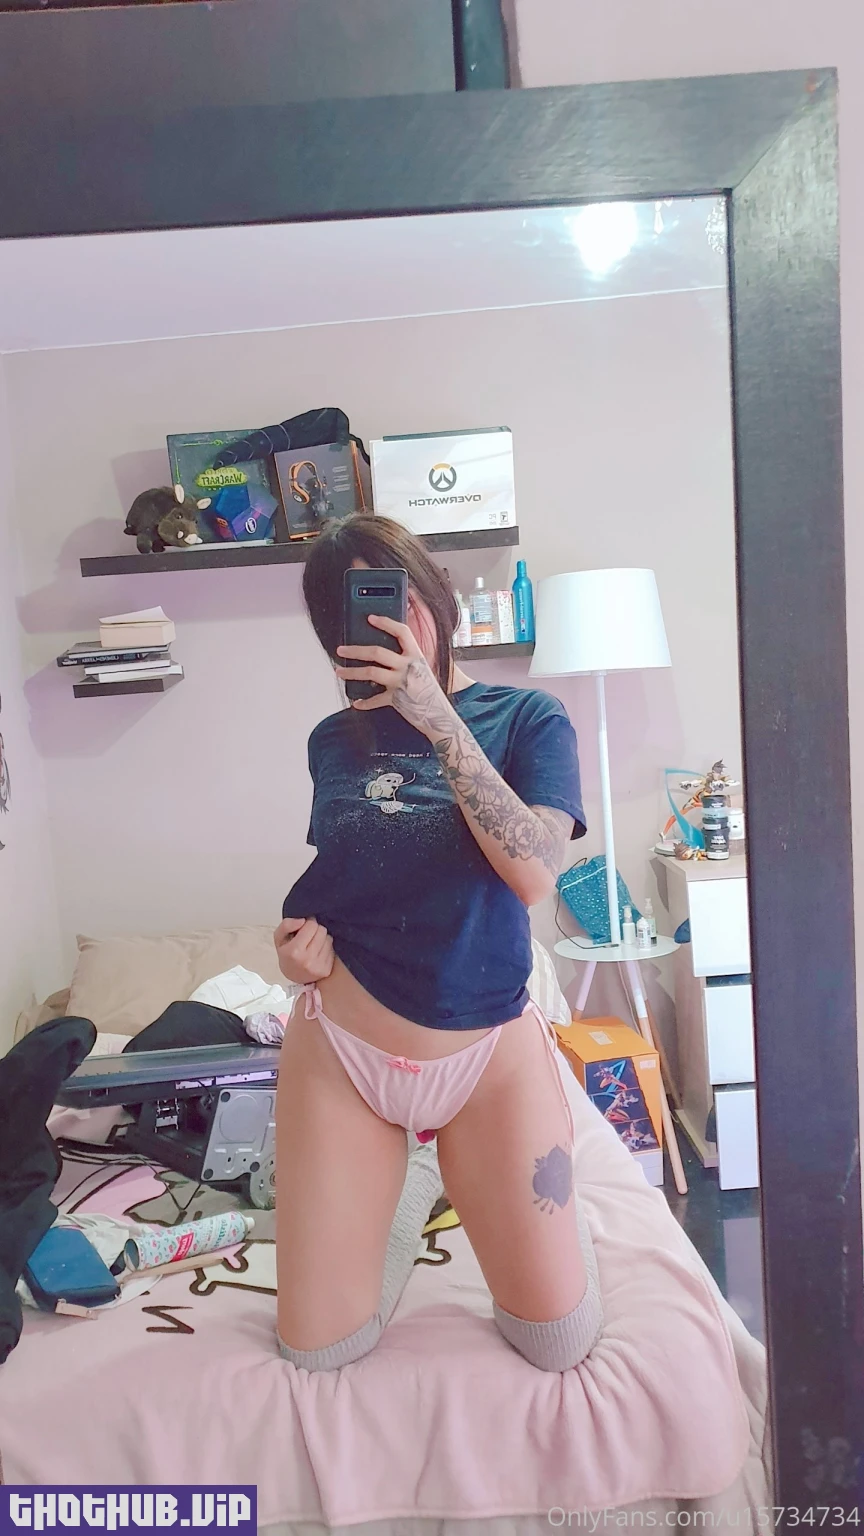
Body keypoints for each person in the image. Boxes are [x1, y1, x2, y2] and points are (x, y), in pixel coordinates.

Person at [274, 515, 602, 1372]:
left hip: (488, 1056)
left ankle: (434, 1169)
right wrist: (294, 951)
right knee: (319, 1350)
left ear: (435, 594)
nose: (384, 621)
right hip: (341, 1053)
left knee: (555, 1343)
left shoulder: (528, 717)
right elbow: (347, 884)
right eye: (348, 608)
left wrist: (435, 718)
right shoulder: (331, 742)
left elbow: (534, 875)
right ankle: (413, 1175)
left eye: (393, 594)